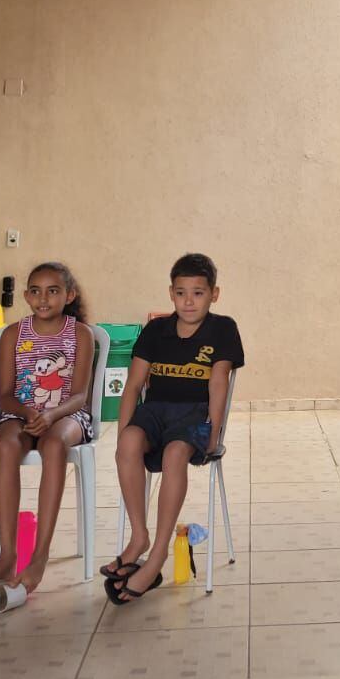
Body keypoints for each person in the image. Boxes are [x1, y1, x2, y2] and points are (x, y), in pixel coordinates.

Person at [104, 253, 242, 603]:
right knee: (129, 444)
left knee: (175, 452)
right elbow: (134, 386)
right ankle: (139, 537)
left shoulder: (222, 328)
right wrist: (124, 431)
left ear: (215, 294)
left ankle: (159, 552)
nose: (189, 301)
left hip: (194, 414)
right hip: (155, 411)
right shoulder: (156, 330)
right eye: (181, 293)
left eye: (198, 292)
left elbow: (218, 383)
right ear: (171, 293)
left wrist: (214, 432)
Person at [0, 261, 95, 612]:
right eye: (35, 290)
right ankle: (8, 554)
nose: (43, 298)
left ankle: (39, 555)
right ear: (25, 296)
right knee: (6, 443)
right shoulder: (12, 335)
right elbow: (4, 395)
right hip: (20, 414)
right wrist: (29, 414)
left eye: (53, 290)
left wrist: (51, 414)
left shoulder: (80, 334)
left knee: (54, 443)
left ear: (69, 295)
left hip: (67, 414)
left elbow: (81, 394)